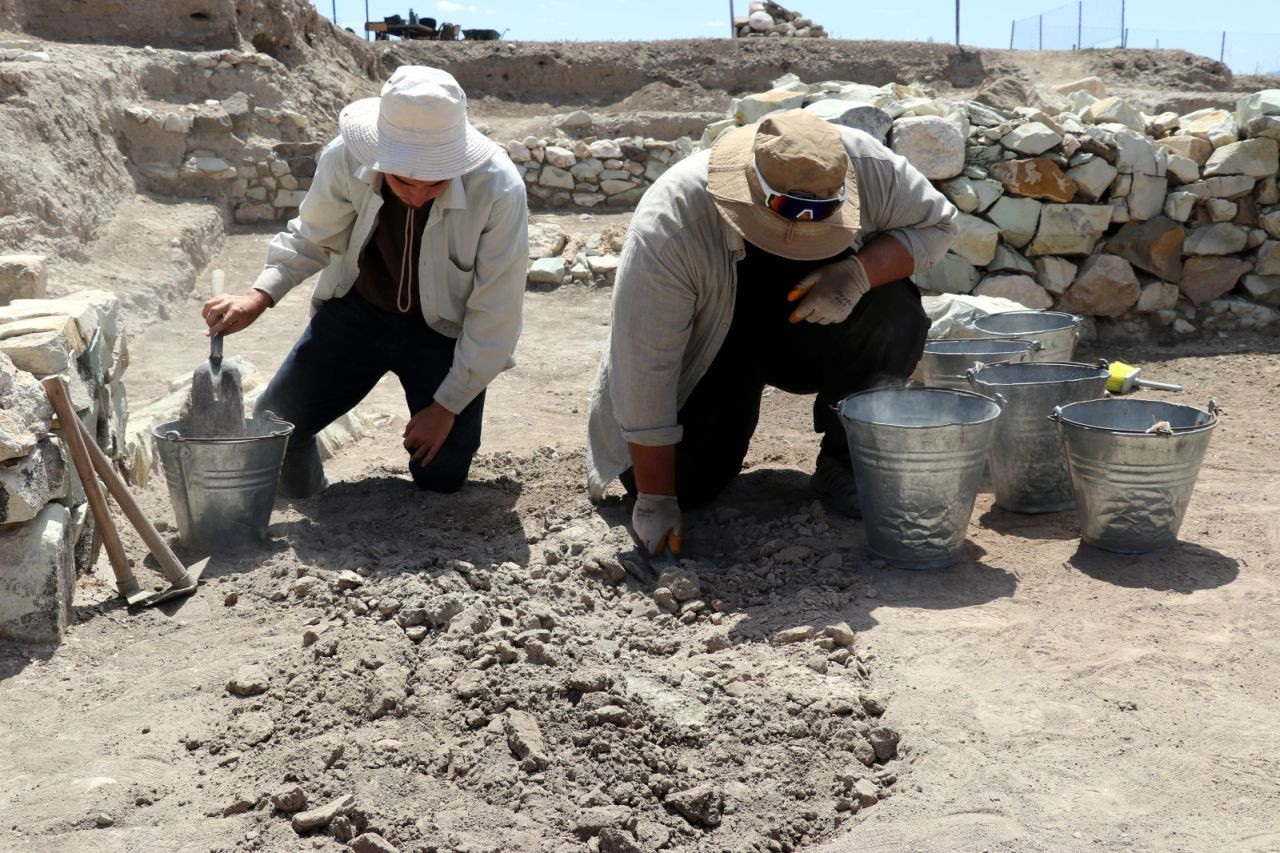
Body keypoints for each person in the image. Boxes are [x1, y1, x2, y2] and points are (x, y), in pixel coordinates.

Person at [586, 109, 957, 556]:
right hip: (713, 344)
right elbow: (643, 368)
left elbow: (939, 224)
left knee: (895, 311)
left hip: (814, 323)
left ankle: (847, 460)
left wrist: (859, 272)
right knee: (689, 484)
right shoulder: (673, 223)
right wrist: (656, 499)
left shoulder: (868, 167)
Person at [202, 66, 528, 497]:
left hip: (443, 333)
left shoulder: (499, 189)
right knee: (273, 430)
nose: (416, 195)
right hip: (357, 314)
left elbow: (496, 312)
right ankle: (311, 499)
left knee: (442, 474)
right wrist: (259, 296)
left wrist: (448, 405)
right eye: (403, 181)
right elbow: (312, 235)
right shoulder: (346, 157)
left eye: (434, 183)